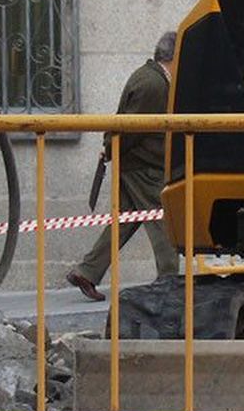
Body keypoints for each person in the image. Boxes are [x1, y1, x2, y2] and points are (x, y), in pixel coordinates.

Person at [66, 32, 181, 302]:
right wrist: (111, 147)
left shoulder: (150, 77)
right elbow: (132, 128)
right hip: (143, 166)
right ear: (173, 58)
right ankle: (170, 281)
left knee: (124, 221)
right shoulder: (153, 84)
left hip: (136, 162)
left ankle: (87, 271)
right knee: (163, 221)